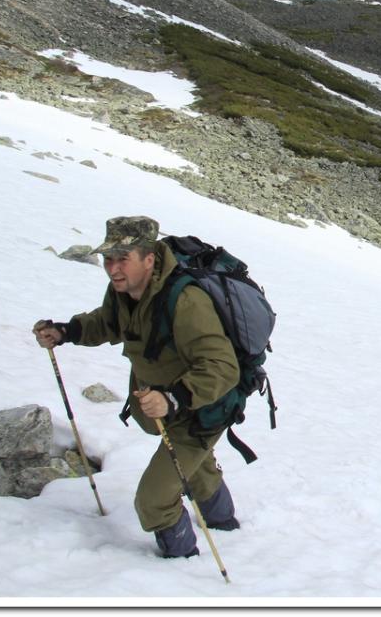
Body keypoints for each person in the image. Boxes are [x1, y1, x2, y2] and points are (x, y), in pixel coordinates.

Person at [33, 216, 241, 559]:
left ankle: (182, 563)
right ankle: (224, 521)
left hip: (203, 410)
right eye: (108, 259)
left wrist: (173, 399)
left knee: (153, 500)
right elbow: (109, 322)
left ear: (149, 258)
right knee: (194, 464)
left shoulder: (186, 302)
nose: (113, 268)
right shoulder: (126, 289)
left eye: (122, 258)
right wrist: (66, 332)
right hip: (166, 405)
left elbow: (222, 367)